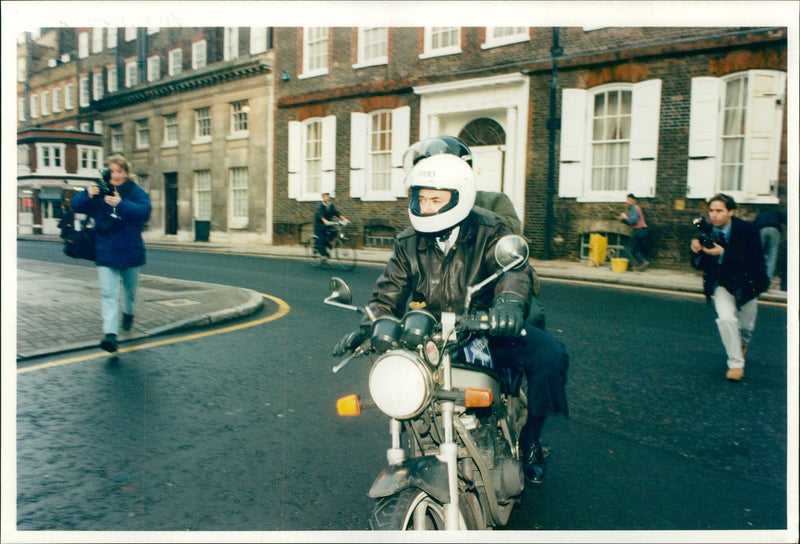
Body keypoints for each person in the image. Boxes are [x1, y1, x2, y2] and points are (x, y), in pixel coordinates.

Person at [333, 152, 569, 484]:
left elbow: (512, 272)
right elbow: (388, 293)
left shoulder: (490, 229)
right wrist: (368, 325)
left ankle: (531, 438)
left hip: (488, 326)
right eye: (421, 198)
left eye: (435, 199)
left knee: (551, 356)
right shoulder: (408, 242)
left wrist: (509, 305)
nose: (426, 206)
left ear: (459, 197)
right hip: (433, 333)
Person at [71, 154, 152, 353]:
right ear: (106, 172)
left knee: (130, 292)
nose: (115, 175)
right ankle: (110, 335)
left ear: (126, 172)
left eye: (119, 171)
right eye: (111, 171)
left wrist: (120, 204)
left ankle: (129, 312)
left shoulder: (135, 191)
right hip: (105, 251)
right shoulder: (99, 188)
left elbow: (145, 211)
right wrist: (87, 195)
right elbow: (75, 205)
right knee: (109, 293)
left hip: (130, 250)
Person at [690, 193, 769, 382]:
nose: (714, 215)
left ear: (731, 212)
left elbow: (754, 260)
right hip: (723, 284)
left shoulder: (748, 230)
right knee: (726, 319)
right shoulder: (707, 230)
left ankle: (742, 344)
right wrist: (695, 251)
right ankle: (736, 364)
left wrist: (724, 253)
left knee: (745, 328)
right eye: (711, 211)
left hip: (747, 284)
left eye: (719, 211)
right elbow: (699, 265)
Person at [752, 208, 786, 289]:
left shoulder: (759, 215)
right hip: (774, 230)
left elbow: (752, 227)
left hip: (761, 230)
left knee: (758, 256)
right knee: (772, 256)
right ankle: (767, 281)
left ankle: (755, 279)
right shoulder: (777, 212)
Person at [313, 192, 349, 262]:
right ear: (323, 197)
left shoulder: (330, 205)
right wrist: (324, 220)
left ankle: (327, 243)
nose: (327, 198)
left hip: (328, 225)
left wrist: (344, 218)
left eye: (328, 197)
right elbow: (319, 214)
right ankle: (324, 255)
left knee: (335, 231)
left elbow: (336, 212)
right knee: (321, 239)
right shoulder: (319, 205)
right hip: (319, 226)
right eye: (326, 197)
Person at [619, 193, 650, 271]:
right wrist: (624, 220)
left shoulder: (634, 208)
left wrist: (625, 217)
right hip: (642, 231)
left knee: (627, 248)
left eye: (629, 200)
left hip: (639, 230)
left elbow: (633, 221)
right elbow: (632, 221)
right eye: (627, 199)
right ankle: (643, 262)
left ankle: (629, 266)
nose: (627, 202)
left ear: (633, 200)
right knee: (634, 249)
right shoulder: (634, 209)